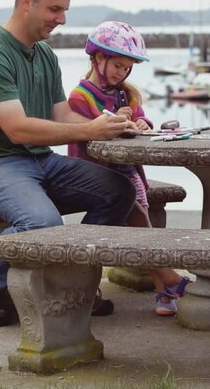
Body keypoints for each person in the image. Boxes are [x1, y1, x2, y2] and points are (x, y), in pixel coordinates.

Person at [0, 0, 137, 327]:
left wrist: (109, 126)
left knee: (119, 191)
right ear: (27, 1)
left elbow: (62, 114)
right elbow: (17, 129)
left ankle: (73, 284)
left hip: (39, 160)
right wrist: (90, 131)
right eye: (55, 9)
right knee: (41, 222)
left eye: (64, 10)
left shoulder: (45, 55)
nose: (61, 19)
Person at [67, 21, 190, 316]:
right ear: (98, 59)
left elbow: (141, 117)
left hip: (129, 172)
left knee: (143, 224)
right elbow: (86, 132)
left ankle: (165, 291)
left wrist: (140, 123)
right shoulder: (80, 97)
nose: (121, 73)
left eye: (127, 68)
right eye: (117, 66)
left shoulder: (127, 94)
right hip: (97, 174)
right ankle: (170, 282)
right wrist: (114, 122)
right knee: (141, 226)